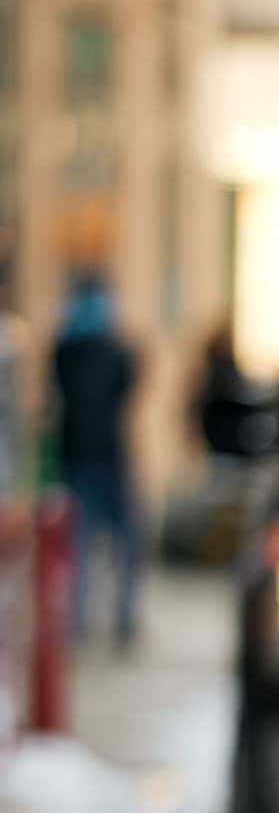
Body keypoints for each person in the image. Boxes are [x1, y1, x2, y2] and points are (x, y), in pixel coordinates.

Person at [50, 272, 143, 648]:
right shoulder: (112, 350)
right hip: (103, 456)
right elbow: (127, 386)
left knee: (84, 544)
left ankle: (85, 618)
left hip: (81, 456)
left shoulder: (64, 351)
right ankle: (117, 615)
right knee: (119, 542)